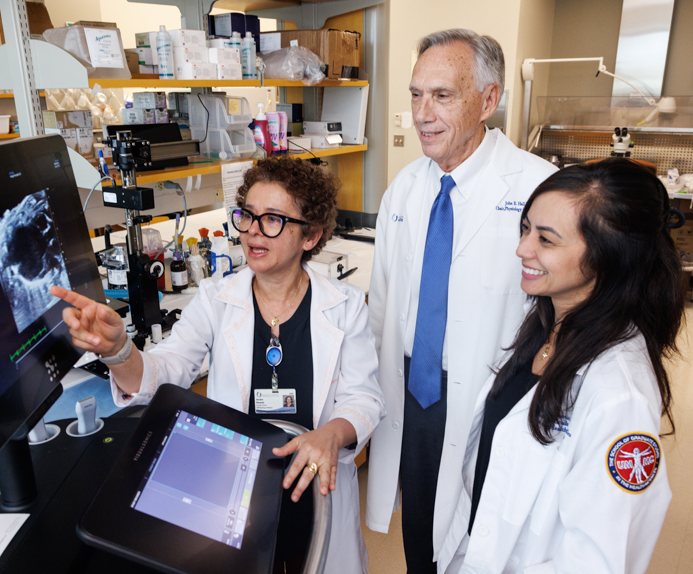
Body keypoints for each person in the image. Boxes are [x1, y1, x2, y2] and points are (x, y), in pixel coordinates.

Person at [51, 156, 384, 574]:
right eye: (247, 216)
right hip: (235, 493)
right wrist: (119, 351)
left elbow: (364, 398)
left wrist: (332, 434)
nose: (252, 232)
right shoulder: (216, 298)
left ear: (311, 235)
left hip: (314, 486)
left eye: (274, 220)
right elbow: (166, 370)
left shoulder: (345, 306)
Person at [364, 28, 557, 572]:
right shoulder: (404, 188)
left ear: (488, 100)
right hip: (416, 395)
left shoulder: (539, 190)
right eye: (416, 94)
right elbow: (383, 305)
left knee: (488, 541)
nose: (423, 113)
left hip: (499, 397)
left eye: (443, 95)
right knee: (421, 535)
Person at [437, 158, 685, 573]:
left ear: (610, 257)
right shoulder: (545, 324)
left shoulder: (618, 392)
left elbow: (597, 561)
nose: (522, 248)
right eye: (525, 228)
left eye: (546, 240)